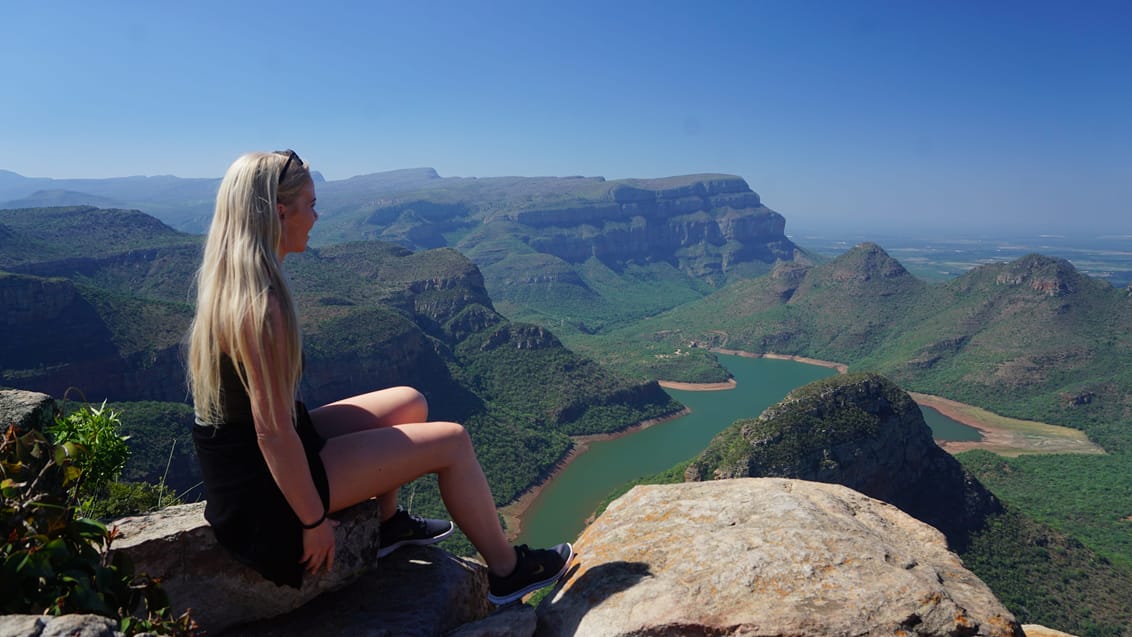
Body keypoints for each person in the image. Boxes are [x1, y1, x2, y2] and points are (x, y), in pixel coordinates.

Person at [187, 150, 573, 604]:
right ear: (280, 211)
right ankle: (507, 572)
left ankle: (387, 526)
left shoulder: (238, 281)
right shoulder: (260, 306)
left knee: (411, 402)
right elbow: (271, 433)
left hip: (261, 453)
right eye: (310, 204)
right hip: (263, 491)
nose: (316, 215)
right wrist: (312, 523)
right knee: (452, 441)